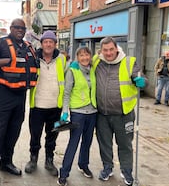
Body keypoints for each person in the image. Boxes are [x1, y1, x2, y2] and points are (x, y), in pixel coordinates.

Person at [0, 18, 38, 186]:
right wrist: (6, 61)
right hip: (2, 95)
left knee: (13, 133)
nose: (19, 30)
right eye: (16, 27)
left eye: (22, 28)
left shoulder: (28, 47)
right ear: (11, 28)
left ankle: (5, 162)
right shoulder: (0, 43)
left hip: (20, 97)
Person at [92, 37, 146, 186]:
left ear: (117, 48)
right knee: (104, 144)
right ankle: (107, 167)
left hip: (124, 114)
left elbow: (140, 77)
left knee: (125, 145)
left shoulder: (128, 62)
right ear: (101, 51)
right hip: (102, 114)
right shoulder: (97, 61)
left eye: (111, 49)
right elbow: (84, 64)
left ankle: (126, 170)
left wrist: (142, 81)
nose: (108, 53)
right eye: (105, 50)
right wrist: (76, 65)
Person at [24, 30, 66, 177]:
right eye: (45, 42)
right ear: (41, 44)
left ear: (55, 44)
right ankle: (33, 159)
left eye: (51, 42)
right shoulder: (34, 57)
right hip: (37, 106)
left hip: (55, 107)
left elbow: (67, 79)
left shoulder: (62, 59)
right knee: (35, 135)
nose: (48, 44)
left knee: (52, 136)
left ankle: (49, 160)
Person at [57, 47, 97, 186]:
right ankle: (63, 173)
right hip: (78, 113)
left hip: (92, 112)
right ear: (77, 57)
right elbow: (67, 92)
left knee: (87, 141)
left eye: (87, 55)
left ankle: (83, 165)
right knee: (73, 142)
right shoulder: (72, 70)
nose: (85, 58)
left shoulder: (93, 69)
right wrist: (65, 111)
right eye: (81, 55)